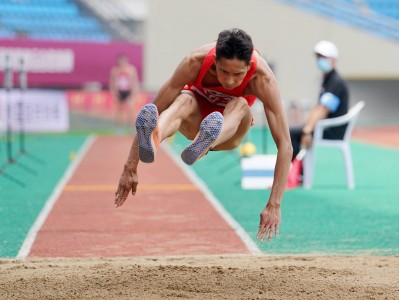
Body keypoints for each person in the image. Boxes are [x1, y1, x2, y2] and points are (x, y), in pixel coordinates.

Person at [114, 28, 293, 243]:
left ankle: (208, 141)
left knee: (241, 103)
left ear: (249, 67)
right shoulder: (194, 62)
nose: (229, 80)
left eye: (238, 74)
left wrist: (274, 204)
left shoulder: (263, 80)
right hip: (195, 122)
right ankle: (153, 141)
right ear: (215, 62)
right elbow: (155, 108)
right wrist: (130, 166)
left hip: (230, 132)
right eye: (224, 71)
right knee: (183, 100)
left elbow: (285, 145)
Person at [290, 40, 349, 160]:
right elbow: (318, 108)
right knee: (295, 131)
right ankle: (298, 172)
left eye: (323, 57)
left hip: (332, 130)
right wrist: (308, 126)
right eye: (318, 57)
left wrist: (307, 131)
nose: (319, 60)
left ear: (333, 59)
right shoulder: (327, 80)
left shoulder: (335, 82)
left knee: (291, 133)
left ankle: (291, 171)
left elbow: (323, 109)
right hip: (324, 127)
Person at [109, 54, 140, 128]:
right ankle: (120, 128)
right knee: (119, 111)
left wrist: (135, 92)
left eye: (124, 61)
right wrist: (114, 93)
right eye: (121, 61)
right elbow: (112, 82)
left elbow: (134, 82)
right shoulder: (115, 70)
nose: (122, 62)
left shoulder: (131, 69)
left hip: (128, 92)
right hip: (119, 92)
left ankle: (132, 127)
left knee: (131, 109)